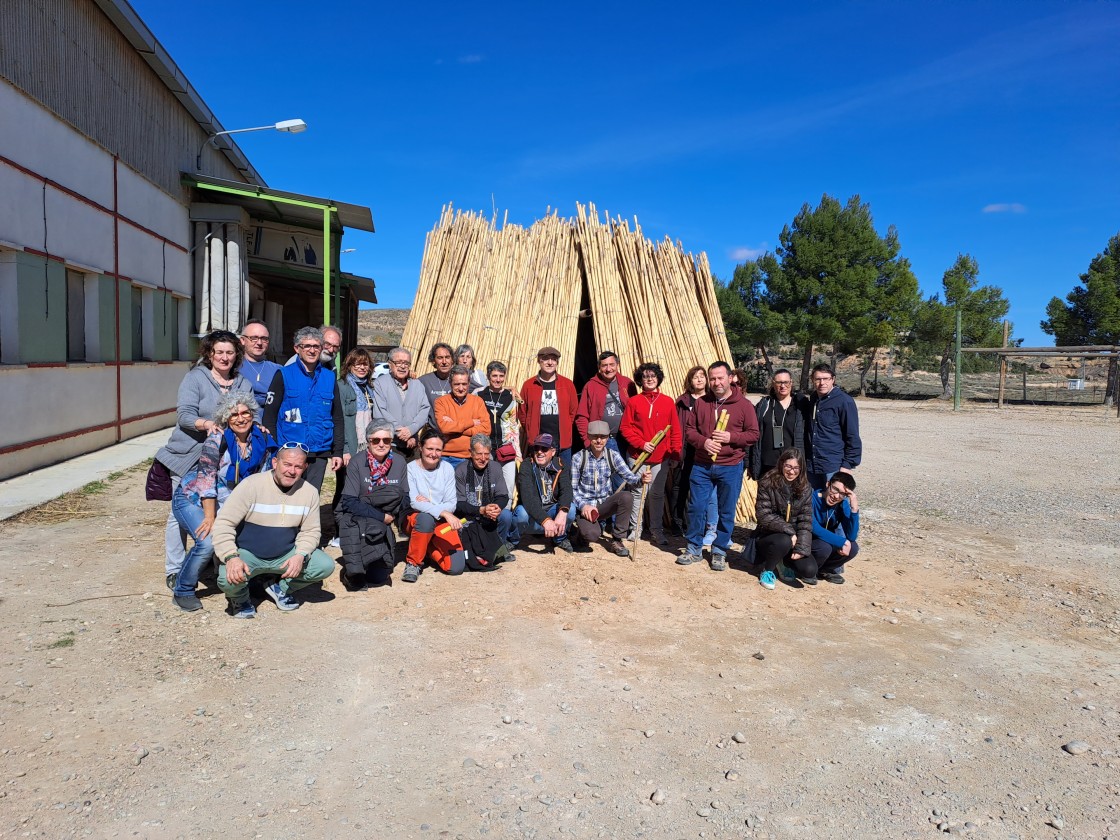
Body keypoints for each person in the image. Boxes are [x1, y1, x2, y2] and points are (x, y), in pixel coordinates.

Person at [155, 330, 252, 591]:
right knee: (180, 514)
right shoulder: (195, 378)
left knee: (219, 509)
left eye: (229, 352)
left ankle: (212, 561)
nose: (224, 357)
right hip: (188, 455)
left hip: (222, 458)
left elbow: (249, 411)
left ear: (237, 355)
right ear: (210, 354)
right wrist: (207, 424)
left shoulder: (242, 382)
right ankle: (175, 569)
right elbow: (184, 415)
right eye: (219, 352)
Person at [170, 391, 277, 612]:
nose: (241, 418)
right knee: (207, 541)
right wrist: (211, 517)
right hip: (193, 497)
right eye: (234, 414)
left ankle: (251, 580)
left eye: (245, 412)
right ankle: (183, 589)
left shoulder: (263, 438)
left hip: (231, 501)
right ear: (225, 419)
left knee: (250, 534)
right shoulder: (217, 440)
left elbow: (265, 477)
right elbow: (206, 480)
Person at [210, 443, 336, 617]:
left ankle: (280, 588)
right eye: (287, 464)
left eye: (298, 466)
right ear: (275, 463)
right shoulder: (251, 485)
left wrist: (300, 555)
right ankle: (240, 599)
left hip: (285, 554)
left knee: (324, 565)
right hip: (248, 553)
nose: (292, 471)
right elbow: (224, 524)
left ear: (305, 467)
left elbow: (311, 531)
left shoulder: (309, 493)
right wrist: (231, 556)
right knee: (227, 579)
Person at [678, 361, 760, 571]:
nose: (716, 382)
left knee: (726, 511)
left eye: (720, 378)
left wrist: (731, 436)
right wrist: (703, 442)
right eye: (712, 378)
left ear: (730, 377)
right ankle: (694, 547)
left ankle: (719, 550)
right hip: (702, 465)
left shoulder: (744, 405)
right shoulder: (702, 403)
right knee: (696, 507)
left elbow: (753, 434)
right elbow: (689, 430)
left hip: (730, 465)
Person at [262, 327, 344, 492]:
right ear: (297, 349)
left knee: (312, 496)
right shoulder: (283, 375)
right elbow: (269, 416)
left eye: (316, 346)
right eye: (307, 346)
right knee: (286, 496)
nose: (312, 350)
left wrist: (338, 451)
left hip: (319, 451)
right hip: (290, 451)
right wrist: (275, 450)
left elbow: (337, 417)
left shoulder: (329, 377)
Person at [335, 420, 410, 591]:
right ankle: (352, 572)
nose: (381, 444)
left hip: (383, 519)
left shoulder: (399, 462)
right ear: (368, 441)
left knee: (378, 578)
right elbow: (349, 502)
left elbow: (405, 497)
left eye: (386, 440)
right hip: (358, 516)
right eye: (376, 440)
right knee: (359, 574)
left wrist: (393, 515)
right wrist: (382, 517)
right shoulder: (356, 462)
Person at [402, 432, 480, 582]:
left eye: (438, 450)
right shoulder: (410, 469)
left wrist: (431, 506)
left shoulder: (447, 469)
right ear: (420, 447)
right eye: (429, 448)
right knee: (425, 520)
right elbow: (414, 502)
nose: (433, 453)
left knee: (456, 567)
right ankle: (413, 563)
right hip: (416, 519)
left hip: (441, 521)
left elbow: (451, 502)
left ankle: (427, 549)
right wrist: (442, 511)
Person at [620, 362, 682, 546]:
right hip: (637, 455)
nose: (649, 379)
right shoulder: (634, 402)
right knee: (637, 492)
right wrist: (642, 444)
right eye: (645, 377)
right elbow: (626, 428)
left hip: (660, 458)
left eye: (652, 376)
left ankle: (656, 530)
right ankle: (635, 528)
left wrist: (675, 454)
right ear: (640, 380)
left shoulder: (667, 401)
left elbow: (675, 431)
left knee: (656, 494)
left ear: (658, 379)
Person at [570, 421, 651, 557]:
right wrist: (584, 506)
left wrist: (641, 480)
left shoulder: (612, 456)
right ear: (589, 437)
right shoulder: (578, 458)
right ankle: (580, 535)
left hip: (604, 506)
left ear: (608, 438)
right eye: (595, 437)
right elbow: (572, 490)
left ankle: (617, 539)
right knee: (592, 535)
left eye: (603, 437)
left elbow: (630, 477)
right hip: (586, 509)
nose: (599, 440)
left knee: (626, 497)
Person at [330, 348, 376, 545]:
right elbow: (340, 421)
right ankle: (340, 532)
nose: (361, 367)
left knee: (362, 489)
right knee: (345, 489)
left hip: (367, 447)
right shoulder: (342, 387)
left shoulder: (369, 388)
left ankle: (358, 529)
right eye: (357, 363)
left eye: (365, 363)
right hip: (351, 446)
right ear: (348, 365)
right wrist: (345, 449)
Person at [753, 447, 814, 590]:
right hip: (768, 536)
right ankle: (767, 570)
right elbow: (763, 515)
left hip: (792, 540)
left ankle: (783, 562)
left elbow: (805, 520)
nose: (791, 471)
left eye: (796, 468)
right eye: (788, 466)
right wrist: (790, 531)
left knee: (809, 570)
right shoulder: (768, 482)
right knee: (783, 540)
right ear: (781, 464)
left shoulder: (805, 487)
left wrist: (801, 548)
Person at [671, 365, 717, 545]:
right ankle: (677, 521)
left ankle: (705, 525)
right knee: (679, 486)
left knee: (703, 489)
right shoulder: (682, 401)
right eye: (694, 377)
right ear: (689, 381)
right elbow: (675, 426)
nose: (699, 380)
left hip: (704, 449)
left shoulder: (712, 400)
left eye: (701, 376)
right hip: (684, 449)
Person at [455, 434, 516, 565]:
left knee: (505, 515)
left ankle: (500, 547)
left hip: (489, 513)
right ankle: (484, 551)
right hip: (468, 516)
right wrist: (481, 510)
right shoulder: (461, 470)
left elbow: (503, 496)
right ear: (470, 453)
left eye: (486, 454)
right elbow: (459, 504)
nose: (483, 458)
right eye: (479, 454)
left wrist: (496, 507)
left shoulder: (495, 467)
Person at [804, 363, 862, 490]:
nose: (822, 383)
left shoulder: (844, 401)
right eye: (818, 379)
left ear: (833, 379)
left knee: (836, 501)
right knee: (814, 503)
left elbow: (852, 435)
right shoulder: (814, 398)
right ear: (813, 380)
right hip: (812, 464)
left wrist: (847, 466)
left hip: (833, 464)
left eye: (826, 379)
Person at [513, 434, 574, 553]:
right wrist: (545, 520)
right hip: (532, 518)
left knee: (569, 510)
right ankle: (513, 540)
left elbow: (566, 490)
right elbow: (528, 498)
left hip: (552, 513)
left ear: (553, 451)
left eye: (544, 449)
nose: (539, 452)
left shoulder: (561, 464)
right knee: (521, 513)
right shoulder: (527, 465)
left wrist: (562, 512)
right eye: (536, 448)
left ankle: (559, 538)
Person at [518, 346, 577, 469]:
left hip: (562, 442)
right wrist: (530, 428)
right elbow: (522, 412)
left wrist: (565, 425)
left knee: (563, 477)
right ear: (539, 361)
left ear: (557, 362)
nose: (550, 362)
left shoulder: (567, 384)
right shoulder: (529, 385)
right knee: (539, 478)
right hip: (537, 442)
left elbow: (573, 410)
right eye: (545, 359)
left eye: (553, 359)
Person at [476, 360, 521, 506]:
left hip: (505, 446)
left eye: (501, 376)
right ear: (488, 376)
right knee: (486, 483)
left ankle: (506, 514)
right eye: (494, 375)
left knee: (507, 485)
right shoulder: (479, 394)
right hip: (485, 447)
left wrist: (517, 451)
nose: (498, 379)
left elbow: (513, 426)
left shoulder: (510, 396)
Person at [371, 346, 430, 456]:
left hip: (413, 444)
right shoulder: (380, 383)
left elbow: (424, 409)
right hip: (390, 444)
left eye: (406, 363)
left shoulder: (417, 384)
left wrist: (411, 431)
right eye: (398, 362)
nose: (403, 366)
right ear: (390, 364)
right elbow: (380, 412)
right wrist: (400, 431)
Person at [750, 368, 807, 480]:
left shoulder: (801, 405)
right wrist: (749, 462)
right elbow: (753, 432)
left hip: (792, 465)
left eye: (786, 382)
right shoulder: (764, 405)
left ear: (791, 383)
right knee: (767, 496)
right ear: (773, 384)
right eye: (779, 382)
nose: (782, 386)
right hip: (768, 464)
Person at [575, 351, 633, 453]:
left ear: (617, 365)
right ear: (599, 367)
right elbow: (582, 416)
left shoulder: (627, 383)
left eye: (612, 365)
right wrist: (588, 441)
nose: (608, 369)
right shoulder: (591, 386)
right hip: (602, 440)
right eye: (604, 365)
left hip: (626, 439)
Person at [434, 365, 491, 468]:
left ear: (469, 384)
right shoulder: (441, 402)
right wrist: (471, 423)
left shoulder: (477, 401)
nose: (461, 388)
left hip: (471, 457)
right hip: (446, 457)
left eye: (464, 384)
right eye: (457, 384)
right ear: (450, 384)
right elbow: (444, 428)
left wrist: (455, 425)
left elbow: (486, 429)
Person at [809, 471, 860, 585]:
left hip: (824, 542)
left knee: (853, 548)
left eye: (842, 494)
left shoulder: (842, 504)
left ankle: (824, 570)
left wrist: (854, 509)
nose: (836, 496)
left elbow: (851, 536)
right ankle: (809, 570)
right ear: (828, 484)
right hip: (807, 542)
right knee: (824, 547)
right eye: (835, 489)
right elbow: (814, 528)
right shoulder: (811, 499)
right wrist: (843, 542)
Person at [238, 319, 281, 407]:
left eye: (264, 339)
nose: (259, 343)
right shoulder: (233, 367)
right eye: (254, 338)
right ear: (242, 340)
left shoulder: (278, 370)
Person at [418, 342, 454, 427]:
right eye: (440, 358)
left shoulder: (460, 380)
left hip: (455, 432)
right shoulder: (424, 381)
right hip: (433, 434)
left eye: (447, 357)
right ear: (433, 360)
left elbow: (482, 388)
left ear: (452, 360)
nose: (444, 361)